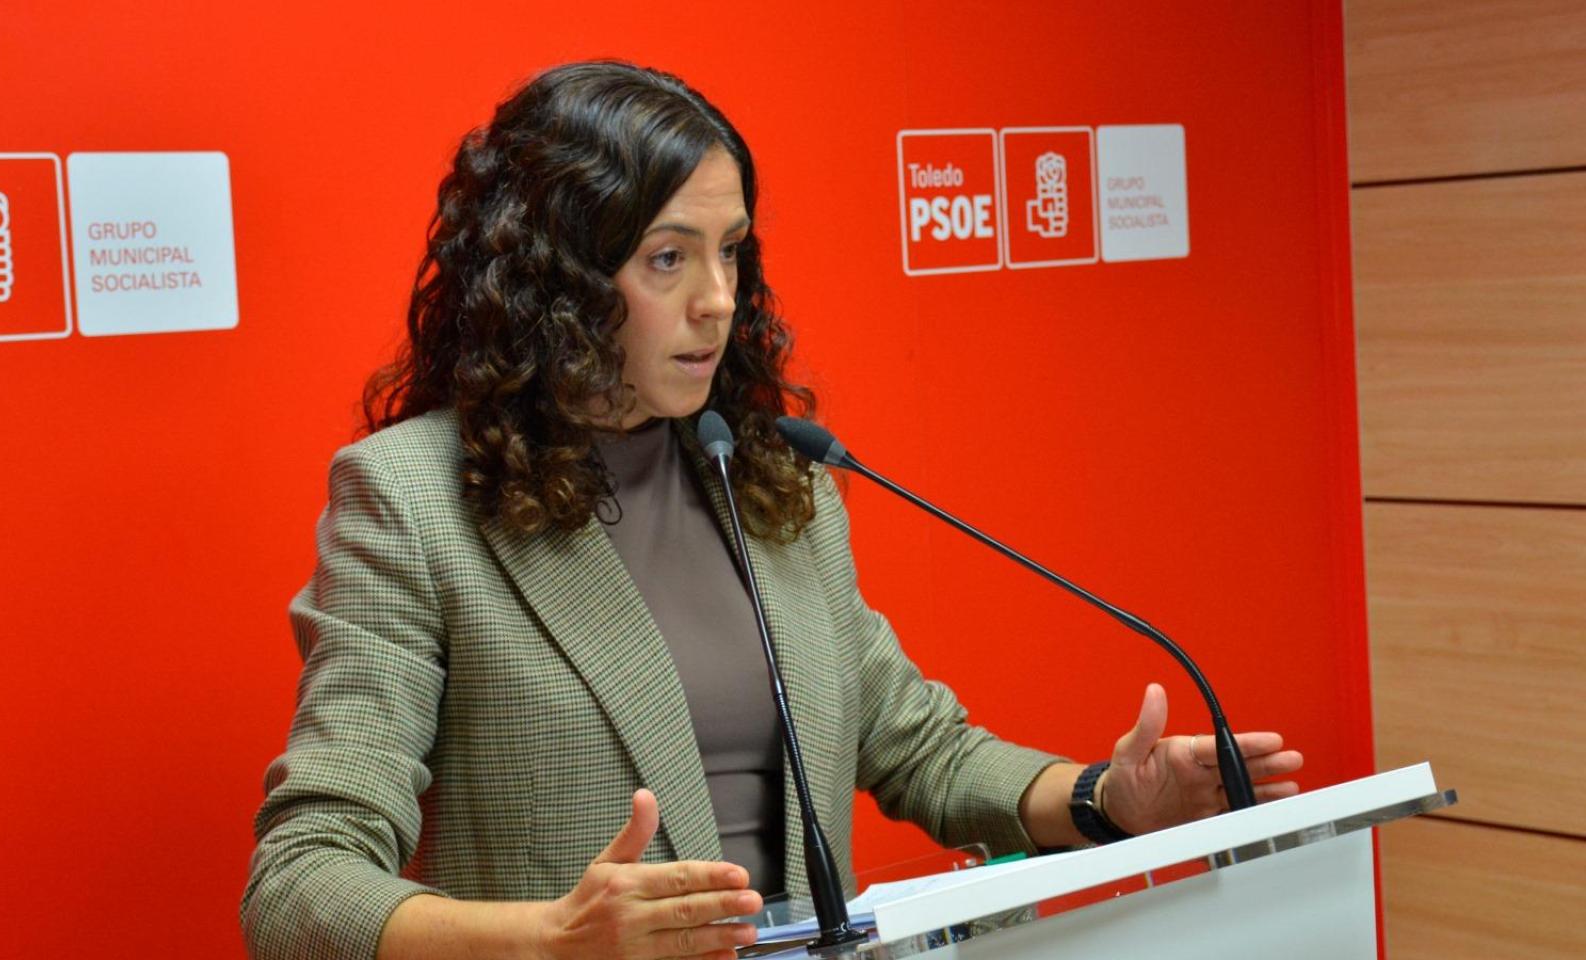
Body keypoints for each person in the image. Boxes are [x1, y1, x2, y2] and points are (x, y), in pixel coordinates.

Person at [241, 61, 1303, 960]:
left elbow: (916, 747)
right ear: (551, 280)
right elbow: (298, 882)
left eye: (730, 248)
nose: (717, 297)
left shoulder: (768, 478)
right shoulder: (414, 500)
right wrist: (547, 936)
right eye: (668, 257)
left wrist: (1102, 803)